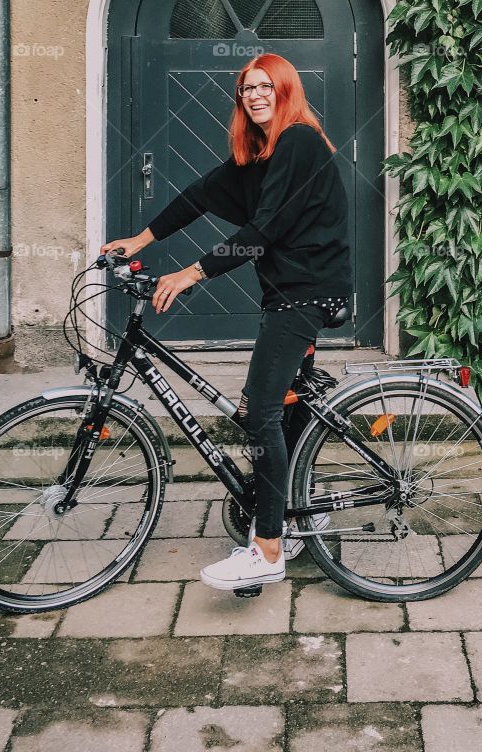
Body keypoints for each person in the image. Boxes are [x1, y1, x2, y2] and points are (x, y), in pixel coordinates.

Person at [100, 52, 353, 591]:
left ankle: (267, 550)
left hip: (303, 295)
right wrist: (140, 240)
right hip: (284, 294)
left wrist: (191, 273)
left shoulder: (299, 142)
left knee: (259, 411)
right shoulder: (259, 154)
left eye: (266, 86)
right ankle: (296, 513)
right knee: (283, 409)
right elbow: (199, 196)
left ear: (286, 90)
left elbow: (263, 230)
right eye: (246, 88)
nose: (255, 95)